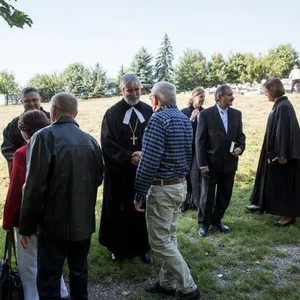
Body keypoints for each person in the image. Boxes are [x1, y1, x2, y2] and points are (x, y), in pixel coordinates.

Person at [18, 92, 104, 300]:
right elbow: (98, 178)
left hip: (52, 223)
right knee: (79, 272)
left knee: (49, 277)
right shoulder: (91, 141)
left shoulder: (42, 137)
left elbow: (33, 187)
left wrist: (26, 226)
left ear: (53, 111)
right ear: (75, 113)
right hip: (83, 221)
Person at [134, 82, 200, 300]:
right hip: (179, 186)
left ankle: (189, 288)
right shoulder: (184, 119)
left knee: (160, 242)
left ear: (155, 99)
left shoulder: (157, 120)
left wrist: (139, 193)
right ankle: (166, 283)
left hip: (162, 189)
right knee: (169, 236)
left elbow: (149, 162)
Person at [2, 110, 69, 300]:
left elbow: (17, 192)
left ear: (23, 132)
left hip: (31, 217)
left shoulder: (22, 153)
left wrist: (9, 221)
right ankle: (61, 291)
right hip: (58, 215)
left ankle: (32, 296)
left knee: (29, 262)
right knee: (53, 259)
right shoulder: (62, 145)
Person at [98, 74, 153, 263]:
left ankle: (144, 247)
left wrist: (143, 157)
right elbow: (107, 143)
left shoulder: (148, 110)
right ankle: (118, 247)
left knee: (142, 209)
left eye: (137, 89)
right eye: (130, 90)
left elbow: (155, 138)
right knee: (119, 210)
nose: (134, 93)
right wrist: (129, 156)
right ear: (122, 90)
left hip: (143, 170)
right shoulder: (112, 113)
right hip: (119, 172)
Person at [246, 77, 300, 226]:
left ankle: (288, 216)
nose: (266, 95)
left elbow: (284, 132)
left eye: (266, 92)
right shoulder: (280, 104)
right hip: (274, 152)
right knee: (270, 179)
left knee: (285, 184)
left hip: (283, 156)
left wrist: (282, 154)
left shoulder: (283, 106)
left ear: (273, 90)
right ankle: (261, 203)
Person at [196, 85, 246, 237]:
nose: (233, 97)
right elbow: (200, 140)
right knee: (207, 195)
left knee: (225, 194)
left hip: (230, 163)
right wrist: (202, 162)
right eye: (229, 94)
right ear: (219, 97)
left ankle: (217, 220)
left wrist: (240, 148)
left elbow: (240, 137)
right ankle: (204, 224)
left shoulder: (237, 114)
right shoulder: (205, 114)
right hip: (211, 164)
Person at [1, 87, 50, 168]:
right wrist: (20, 161)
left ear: (40, 99)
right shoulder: (13, 124)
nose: (31, 103)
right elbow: (7, 149)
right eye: (27, 101)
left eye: (34, 100)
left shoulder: (51, 119)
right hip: (23, 167)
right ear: (21, 102)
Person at [181, 88, 205, 211]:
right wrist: (191, 119)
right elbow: (181, 130)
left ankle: (196, 201)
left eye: (204, 97)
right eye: (200, 96)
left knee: (196, 176)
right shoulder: (184, 112)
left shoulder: (205, 112)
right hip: (186, 149)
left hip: (198, 150)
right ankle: (184, 203)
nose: (202, 99)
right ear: (194, 97)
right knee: (185, 176)